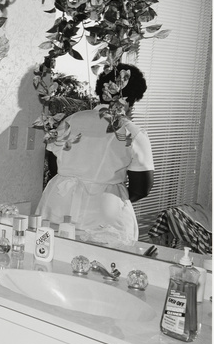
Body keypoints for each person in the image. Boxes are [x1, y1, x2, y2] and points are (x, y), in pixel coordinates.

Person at [36, 63, 155, 244]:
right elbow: (141, 188)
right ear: (132, 98)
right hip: (104, 212)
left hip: (58, 203)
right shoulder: (132, 133)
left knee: (51, 255)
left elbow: (53, 166)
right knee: (101, 264)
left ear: (102, 90)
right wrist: (105, 190)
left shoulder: (70, 120)